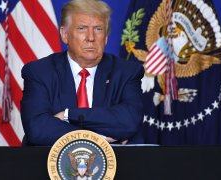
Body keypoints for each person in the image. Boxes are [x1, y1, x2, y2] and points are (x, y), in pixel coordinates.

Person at [21, 0, 144, 146]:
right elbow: (38, 129)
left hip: (115, 165)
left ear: (106, 37)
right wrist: (95, 138)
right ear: (65, 35)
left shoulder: (127, 72)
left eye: (98, 29)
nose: (91, 37)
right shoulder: (39, 72)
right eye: (82, 28)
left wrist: (68, 115)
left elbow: (129, 121)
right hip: (49, 164)